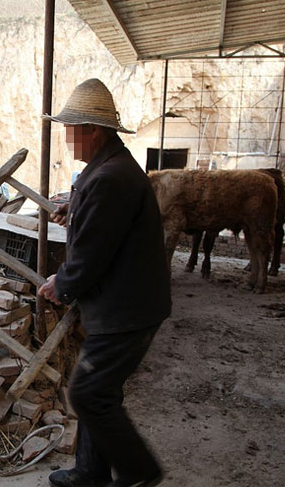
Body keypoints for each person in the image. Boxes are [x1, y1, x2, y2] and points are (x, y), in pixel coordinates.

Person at [38, 79, 171, 487]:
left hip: (125, 310)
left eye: (70, 130)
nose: (66, 138)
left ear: (93, 131)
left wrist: (61, 285)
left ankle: (139, 473)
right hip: (129, 304)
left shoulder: (110, 178)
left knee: (89, 394)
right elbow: (100, 218)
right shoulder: (108, 169)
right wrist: (71, 210)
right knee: (100, 393)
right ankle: (90, 472)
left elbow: (92, 254)